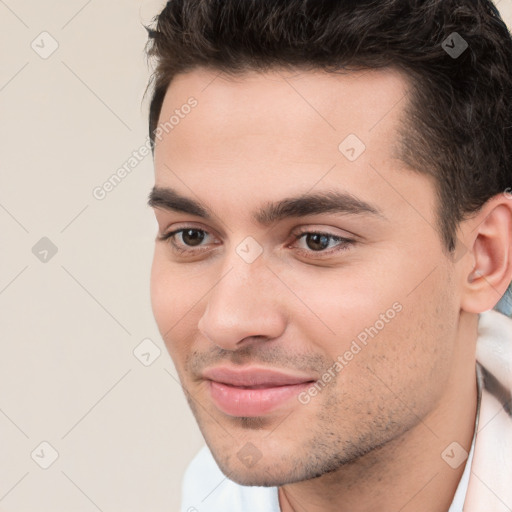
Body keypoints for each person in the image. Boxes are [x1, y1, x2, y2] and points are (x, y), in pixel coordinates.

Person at [144, 1, 512, 510]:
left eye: (318, 240)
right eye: (190, 236)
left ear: (484, 258)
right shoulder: (206, 492)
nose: (227, 321)